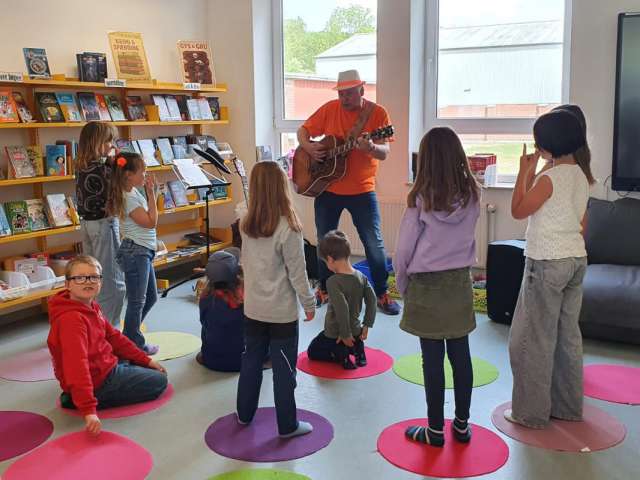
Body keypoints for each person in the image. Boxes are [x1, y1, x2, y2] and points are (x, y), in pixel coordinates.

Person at [507, 108, 595, 429]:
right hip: (575, 260)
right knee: (567, 336)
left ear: (547, 145)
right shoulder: (581, 176)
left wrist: (524, 172)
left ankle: (529, 413)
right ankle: (567, 407)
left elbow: (518, 210)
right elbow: (582, 224)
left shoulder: (549, 179)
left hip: (546, 263)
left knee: (532, 339)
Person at [394, 127, 480, 447]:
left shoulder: (420, 199)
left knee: (431, 361)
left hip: (427, 286)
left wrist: (403, 285)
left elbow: (403, 251)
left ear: (426, 161)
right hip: (459, 284)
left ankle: (434, 431)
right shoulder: (473, 195)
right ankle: (462, 425)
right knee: (461, 356)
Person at [297, 69, 400, 315]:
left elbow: (385, 152)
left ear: (362, 90)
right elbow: (303, 130)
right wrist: (308, 147)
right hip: (328, 188)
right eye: (341, 94)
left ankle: (382, 293)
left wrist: (371, 147)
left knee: (373, 242)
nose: (344, 99)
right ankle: (324, 289)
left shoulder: (377, 113)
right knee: (324, 241)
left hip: (362, 190)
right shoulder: (329, 109)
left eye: (350, 94)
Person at [237, 161, 316, 438]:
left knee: (251, 362)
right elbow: (298, 272)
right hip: (281, 313)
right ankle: (287, 425)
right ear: (283, 188)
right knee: (284, 371)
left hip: (253, 309)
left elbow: (247, 262)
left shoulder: (245, 223)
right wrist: (309, 303)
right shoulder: (289, 228)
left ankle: (244, 414)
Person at [47, 255, 168, 436]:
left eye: (93, 277)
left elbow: (114, 337)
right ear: (67, 284)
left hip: (104, 366)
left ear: (100, 282)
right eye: (80, 278)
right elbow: (76, 365)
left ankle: (80, 394)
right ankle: (78, 399)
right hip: (99, 381)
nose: (88, 282)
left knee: (132, 360)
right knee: (159, 382)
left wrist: (145, 360)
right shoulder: (72, 320)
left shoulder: (91, 306)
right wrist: (88, 410)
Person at [75, 121, 125, 326]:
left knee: (92, 277)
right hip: (104, 224)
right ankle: (110, 330)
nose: (111, 145)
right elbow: (120, 182)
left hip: (87, 224)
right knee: (113, 281)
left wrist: (111, 161)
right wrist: (118, 162)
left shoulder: (82, 166)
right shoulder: (103, 169)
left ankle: (94, 324)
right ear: (96, 142)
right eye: (108, 141)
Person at [110, 152, 159, 355]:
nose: (145, 175)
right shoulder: (128, 197)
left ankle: (129, 336)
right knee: (137, 301)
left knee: (151, 297)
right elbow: (151, 222)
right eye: (142, 171)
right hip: (136, 252)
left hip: (142, 250)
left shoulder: (132, 192)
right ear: (128, 175)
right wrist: (152, 194)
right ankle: (134, 344)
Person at [307, 230, 376, 369]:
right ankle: (359, 351)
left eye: (325, 262)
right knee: (354, 338)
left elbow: (341, 308)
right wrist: (367, 325)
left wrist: (344, 334)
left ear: (330, 259)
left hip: (335, 333)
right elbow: (372, 300)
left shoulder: (333, 282)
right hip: (356, 330)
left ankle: (340, 355)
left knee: (312, 351)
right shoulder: (361, 277)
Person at [196, 248, 245, 372]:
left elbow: (203, 322)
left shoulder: (205, 297)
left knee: (209, 326)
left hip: (211, 360)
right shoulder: (245, 294)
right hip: (244, 361)